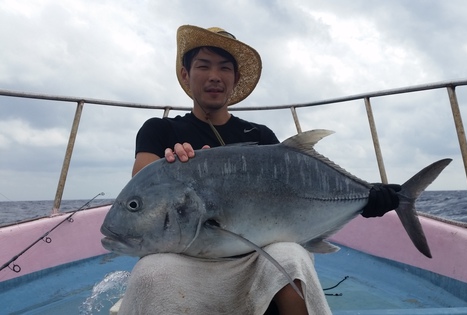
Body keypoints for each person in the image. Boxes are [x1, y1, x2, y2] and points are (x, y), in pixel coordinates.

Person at [119, 25, 400, 315]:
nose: (215, 76)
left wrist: (366, 199)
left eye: (224, 68)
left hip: (255, 259)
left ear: (235, 78)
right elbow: (142, 188)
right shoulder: (160, 130)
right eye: (204, 65)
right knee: (151, 272)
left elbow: (296, 193)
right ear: (185, 74)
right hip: (185, 260)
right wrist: (165, 167)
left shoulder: (261, 136)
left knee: (291, 258)